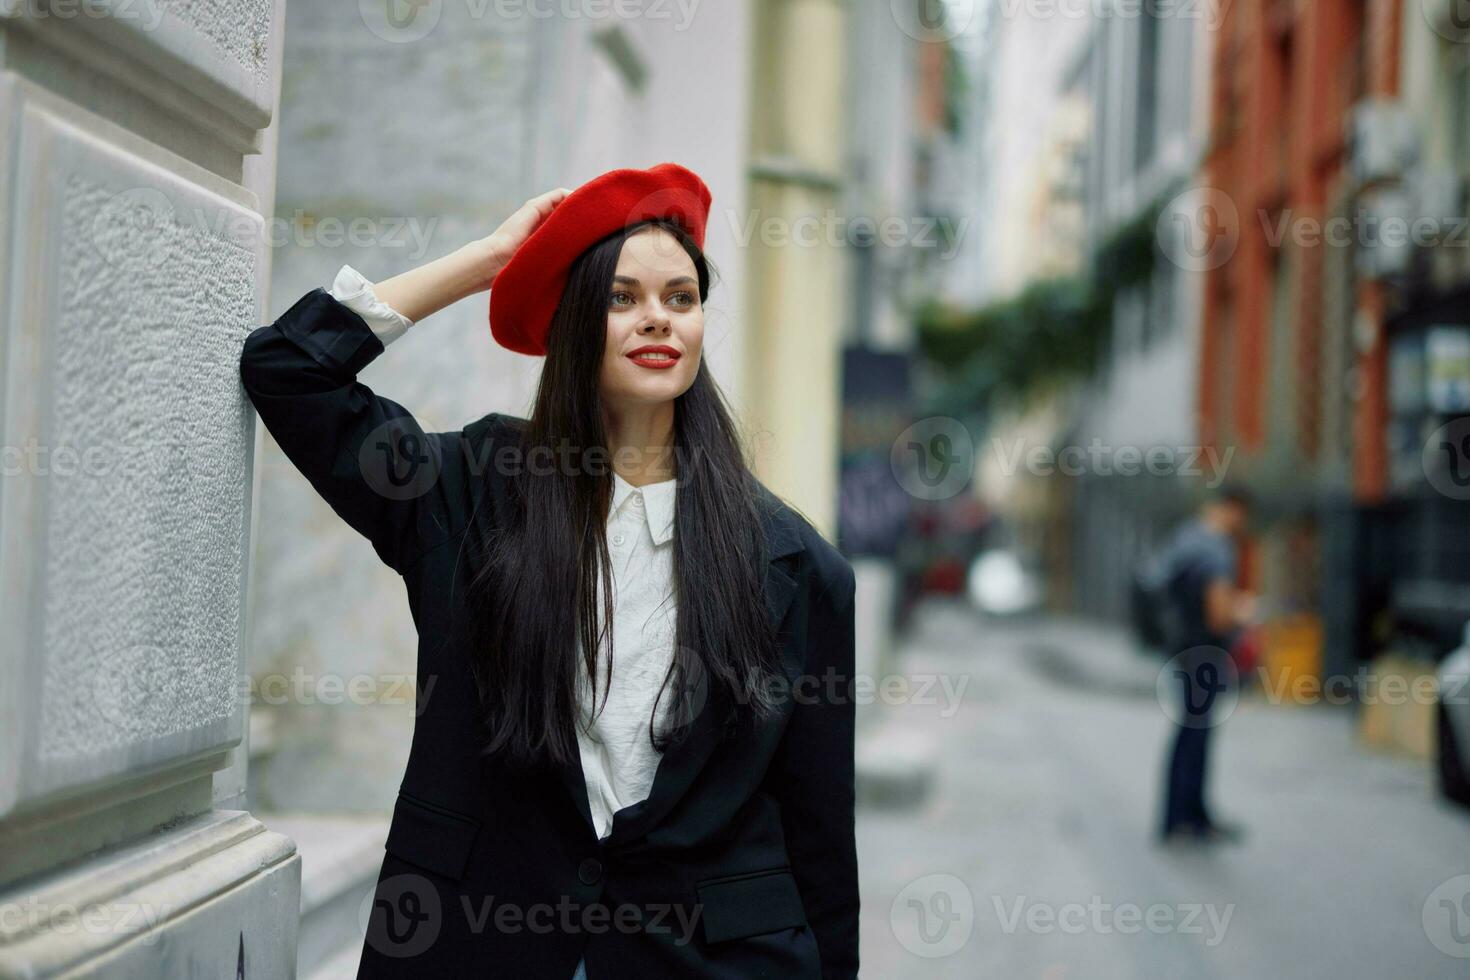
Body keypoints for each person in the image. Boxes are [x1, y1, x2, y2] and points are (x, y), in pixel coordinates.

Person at [238, 164, 859, 978]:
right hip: (480, 944)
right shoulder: (474, 489)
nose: (658, 321)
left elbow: (820, 844)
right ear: (572, 320)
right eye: (621, 297)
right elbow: (289, 371)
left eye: (681, 298)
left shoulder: (794, 563)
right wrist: (487, 261)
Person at [1156, 484, 1256, 846]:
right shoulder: (1215, 549)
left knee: (1188, 732)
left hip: (1182, 647)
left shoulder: (1185, 539)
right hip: (1206, 652)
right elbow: (1218, 615)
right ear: (1232, 509)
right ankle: (1188, 821)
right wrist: (1241, 612)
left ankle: (1183, 816)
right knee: (1197, 735)